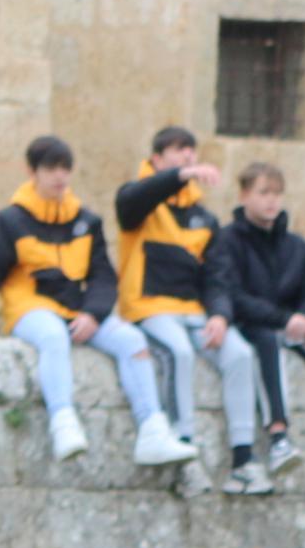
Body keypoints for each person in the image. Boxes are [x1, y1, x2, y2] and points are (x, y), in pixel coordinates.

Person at [0, 136, 164, 467]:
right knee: (53, 337)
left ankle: (152, 428)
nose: (59, 177)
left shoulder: (86, 220)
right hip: (30, 309)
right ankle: (63, 422)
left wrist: (93, 314)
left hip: (76, 310)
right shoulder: (10, 221)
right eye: (51, 168)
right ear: (31, 171)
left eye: (65, 169)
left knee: (132, 340)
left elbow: (102, 276)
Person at [110, 127, 263, 483]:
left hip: (191, 311)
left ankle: (243, 459)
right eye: (178, 151)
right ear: (157, 159)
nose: (188, 157)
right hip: (148, 308)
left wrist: (221, 316)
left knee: (239, 354)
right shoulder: (138, 202)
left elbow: (216, 276)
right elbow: (134, 200)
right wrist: (179, 177)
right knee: (178, 353)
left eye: (191, 152)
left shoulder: (204, 219)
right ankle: (183, 447)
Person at [215, 161, 305, 481]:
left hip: (291, 324)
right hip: (253, 323)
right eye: (263, 193)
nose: (272, 201)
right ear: (243, 196)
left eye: (277, 194)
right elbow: (234, 295)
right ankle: (278, 437)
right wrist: (284, 318)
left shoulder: (296, 246)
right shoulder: (227, 241)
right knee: (266, 342)